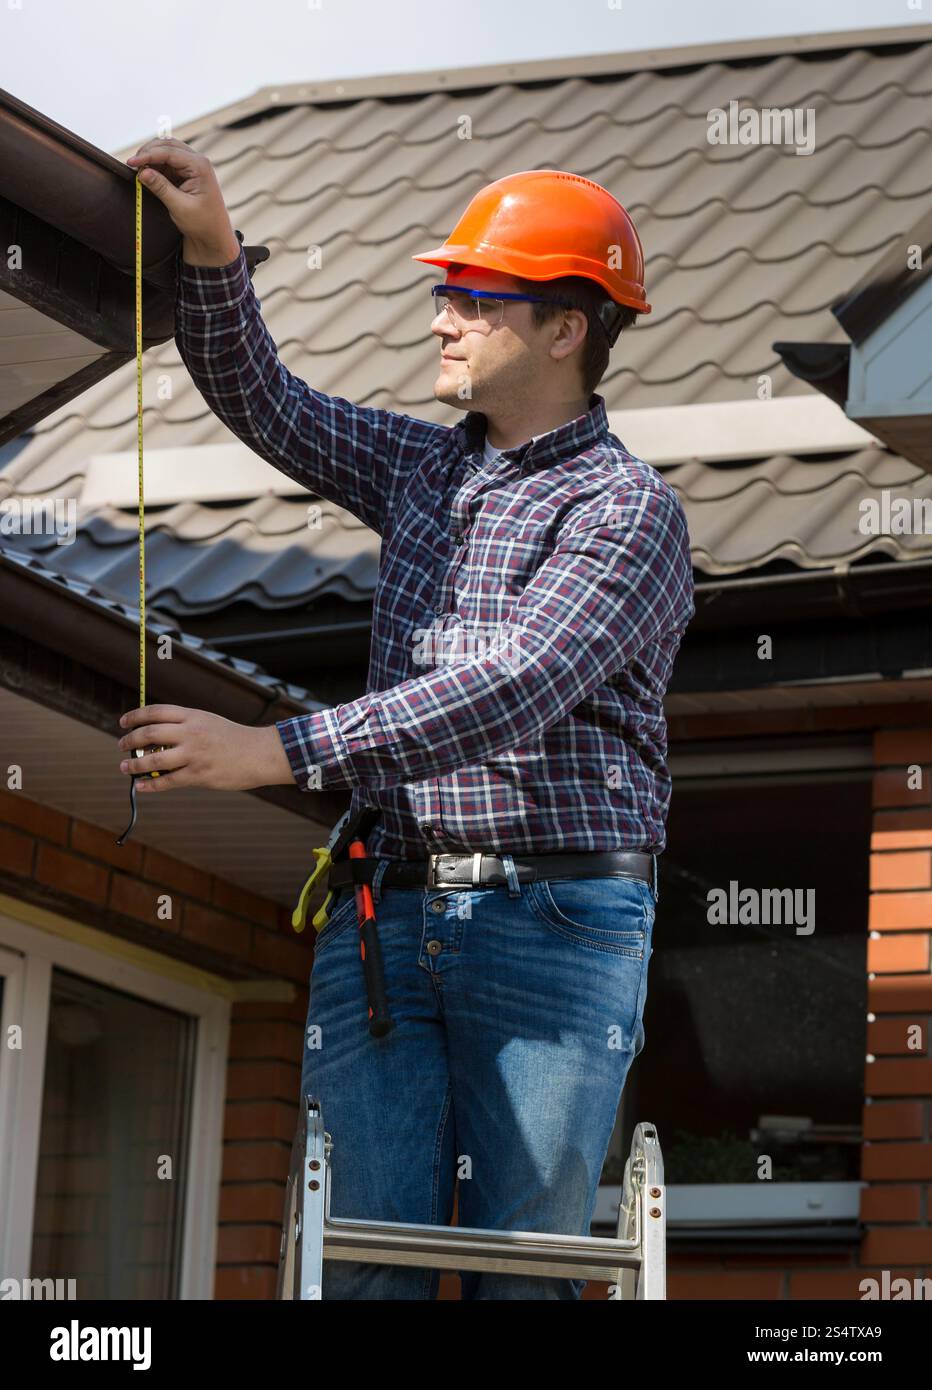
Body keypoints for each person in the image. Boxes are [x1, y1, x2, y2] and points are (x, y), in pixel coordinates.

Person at [121, 143, 695, 1299]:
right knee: (362, 1270)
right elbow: (264, 402)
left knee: (516, 1275)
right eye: (446, 293)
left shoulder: (627, 513)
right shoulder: (424, 469)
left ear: (563, 329)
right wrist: (214, 251)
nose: (440, 318)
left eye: (472, 299)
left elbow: (514, 686)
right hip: (387, 910)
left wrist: (275, 750)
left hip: (554, 918)